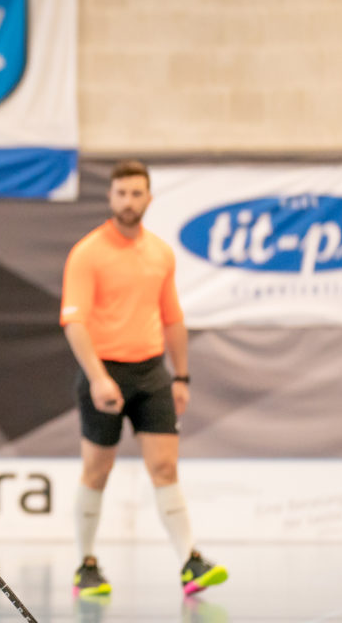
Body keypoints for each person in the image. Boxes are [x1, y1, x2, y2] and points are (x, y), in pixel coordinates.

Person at [59, 159, 228, 598]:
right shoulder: (88, 252)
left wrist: (182, 376)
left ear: (149, 198)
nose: (128, 201)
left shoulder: (160, 253)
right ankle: (86, 565)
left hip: (152, 372)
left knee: (165, 467)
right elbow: (74, 323)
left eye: (136, 193)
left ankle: (190, 562)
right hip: (105, 371)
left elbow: (172, 319)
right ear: (110, 197)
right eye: (121, 193)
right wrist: (97, 378)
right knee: (97, 470)